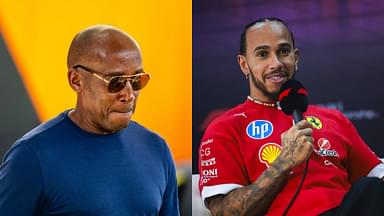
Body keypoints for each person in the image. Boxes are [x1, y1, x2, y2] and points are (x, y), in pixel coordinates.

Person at [198, 17, 384, 216]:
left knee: (370, 188)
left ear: (296, 57)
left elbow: (376, 182)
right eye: (262, 54)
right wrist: (284, 162)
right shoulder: (225, 127)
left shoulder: (333, 118)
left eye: (283, 52)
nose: (276, 63)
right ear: (244, 64)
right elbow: (224, 212)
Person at [0, 25, 180, 215]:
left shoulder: (157, 149)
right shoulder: (31, 157)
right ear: (76, 80)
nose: (129, 94)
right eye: (115, 82)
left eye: (137, 81)